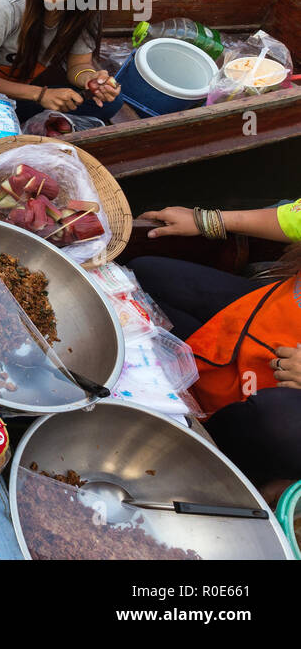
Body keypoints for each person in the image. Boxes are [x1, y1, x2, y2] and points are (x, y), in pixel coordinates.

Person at [130, 200, 301, 501]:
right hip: (273, 313)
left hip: (284, 403)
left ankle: (205, 449)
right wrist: (206, 221)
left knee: (276, 420)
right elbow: (293, 217)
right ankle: (189, 388)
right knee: (143, 276)